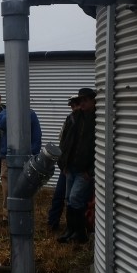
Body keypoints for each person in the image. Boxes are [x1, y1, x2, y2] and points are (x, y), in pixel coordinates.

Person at [57, 87, 96, 244]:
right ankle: (70, 230)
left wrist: (91, 170)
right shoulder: (74, 118)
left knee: (75, 198)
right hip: (70, 167)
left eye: (86, 100)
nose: (82, 103)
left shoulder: (98, 120)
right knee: (69, 199)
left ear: (94, 101)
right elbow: (66, 143)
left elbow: (102, 148)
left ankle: (80, 233)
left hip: (84, 170)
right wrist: (63, 163)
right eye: (81, 100)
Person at [0, 105, 42, 223]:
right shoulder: (3, 113)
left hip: (26, 157)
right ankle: (6, 215)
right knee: (7, 186)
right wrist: (13, 113)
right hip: (7, 156)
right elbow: (1, 124)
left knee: (25, 185)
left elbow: (37, 135)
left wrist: (32, 154)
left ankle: (24, 211)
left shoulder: (31, 114)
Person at [47, 95, 81, 231]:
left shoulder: (89, 121)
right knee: (60, 195)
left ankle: (73, 228)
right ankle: (53, 223)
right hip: (66, 165)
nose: (74, 109)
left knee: (75, 199)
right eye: (72, 106)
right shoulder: (69, 119)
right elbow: (62, 141)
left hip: (79, 167)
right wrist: (62, 163)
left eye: (76, 105)